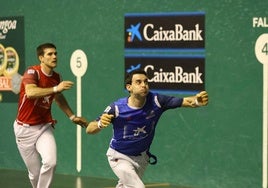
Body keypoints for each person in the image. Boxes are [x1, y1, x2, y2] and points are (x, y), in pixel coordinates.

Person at [86, 68, 208, 188]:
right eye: (138, 82)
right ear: (129, 87)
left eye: (146, 82)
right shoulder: (116, 108)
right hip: (119, 156)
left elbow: (185, 102)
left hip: (142, 158)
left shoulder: (156, 101)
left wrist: (197, 101)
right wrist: (100, 124)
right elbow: (89, 129)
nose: (144, 85)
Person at [13, 43, 87, 188]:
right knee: (34, 173)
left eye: (55, 53)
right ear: (41, 58)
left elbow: (58, 98)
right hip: (24, 129)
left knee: (50, 162)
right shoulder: (32, 72)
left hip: (43, 127)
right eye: (50, 54)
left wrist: (72, 116)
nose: (54, 56)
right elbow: (30, 92)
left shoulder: (56, 77)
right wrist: (55, 88)